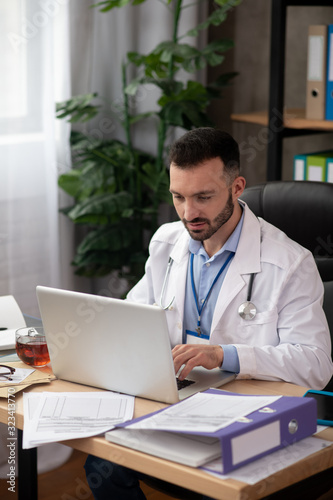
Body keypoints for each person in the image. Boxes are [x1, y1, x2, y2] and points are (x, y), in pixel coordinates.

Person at [84, 127, 333, 500]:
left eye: (203, 197)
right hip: (181, 397)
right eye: (178, 197)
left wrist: (224, 355)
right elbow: (132, 318)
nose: (189, 213)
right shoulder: (167, 242)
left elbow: (315, 364)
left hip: (253, 410)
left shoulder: (290, 263)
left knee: (216, 482)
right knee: (102, 464)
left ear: (236, 188)